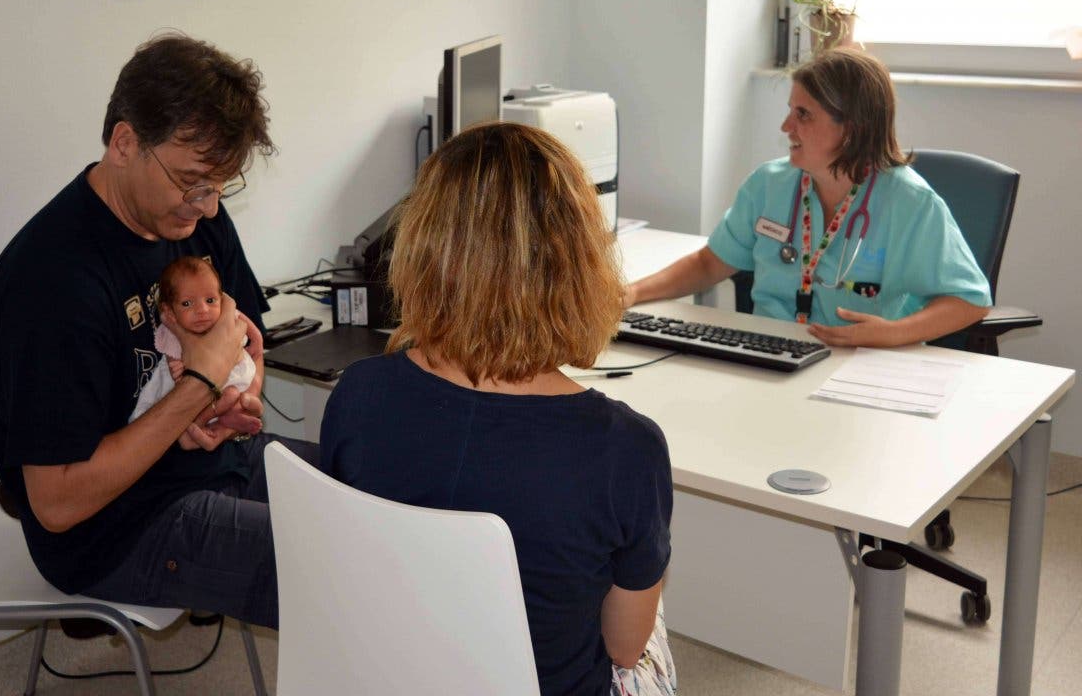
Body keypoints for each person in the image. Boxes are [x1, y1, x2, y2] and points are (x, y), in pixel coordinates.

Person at [319, 122, 676, 696]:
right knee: (650, 626)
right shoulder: (625, 448)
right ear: (581, 262)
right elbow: (623, 648)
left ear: (422, 247)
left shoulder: (359, 393)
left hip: (390, 678)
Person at [0, 34, 315, 630]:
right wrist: (199, 390)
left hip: (216, 460)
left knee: (385, 492)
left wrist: (240, 395)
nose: (207, 208)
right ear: (125, 143)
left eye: (219, 187)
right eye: (193, 184)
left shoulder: (188, 213)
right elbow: (56, 505)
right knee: (352, 567)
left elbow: (246, 341)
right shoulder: (55, 284)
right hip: (118, 528)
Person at [625, 48, 991, 347]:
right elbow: (709, 264)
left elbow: (969, 301)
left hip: (856, 363)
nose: (786, 126)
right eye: (790, 111)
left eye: (803, 114)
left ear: (851, 128)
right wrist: (630, 293)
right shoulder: (769, 184)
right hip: (765, 353)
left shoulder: (910, 203)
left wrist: (892, 333)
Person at [129, 256, 259, 447]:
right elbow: (172, 356)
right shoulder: (171, 330)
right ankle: (201, 422)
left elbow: (242, 319)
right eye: (187, 304)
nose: (202, 310)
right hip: (193, 389)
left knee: (233, 395)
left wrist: (257, 338)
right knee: (159, 395)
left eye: (210, 300)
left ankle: (225, 420)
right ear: (170, 311)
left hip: (232, 375)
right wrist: (175, 367)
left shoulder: (224, 314)